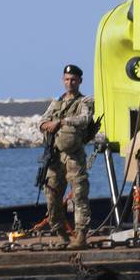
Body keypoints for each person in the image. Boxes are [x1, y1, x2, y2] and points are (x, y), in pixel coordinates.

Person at [38, 64, 94, 249]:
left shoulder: (84, 101)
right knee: (52, 195)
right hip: (54, 156)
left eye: (73, 80)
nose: (69, 83)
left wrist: (61, 122)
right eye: (67, 79)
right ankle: (61, 232)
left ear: (79, 81)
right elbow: (42, 120)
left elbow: (85, 119)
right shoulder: (57, 102)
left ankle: (81, 235)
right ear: (63, 80)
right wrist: (47, 125)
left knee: (79, 195)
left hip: (74, 156)